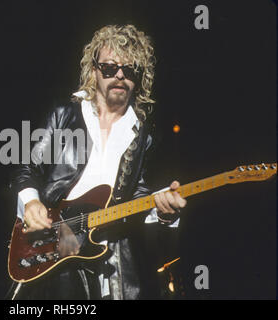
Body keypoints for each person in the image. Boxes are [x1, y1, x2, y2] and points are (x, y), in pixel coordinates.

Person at [11, 24, 187, 299]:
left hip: (117, 255)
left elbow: (144, 196)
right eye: (109, 68)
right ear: (94, 70)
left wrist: (165, 213)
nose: (119, 75)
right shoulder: (64, 114)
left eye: (129, 70)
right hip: (57, 245)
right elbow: (28, 167)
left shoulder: (147, 135)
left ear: (138, 78)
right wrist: (32, 202)